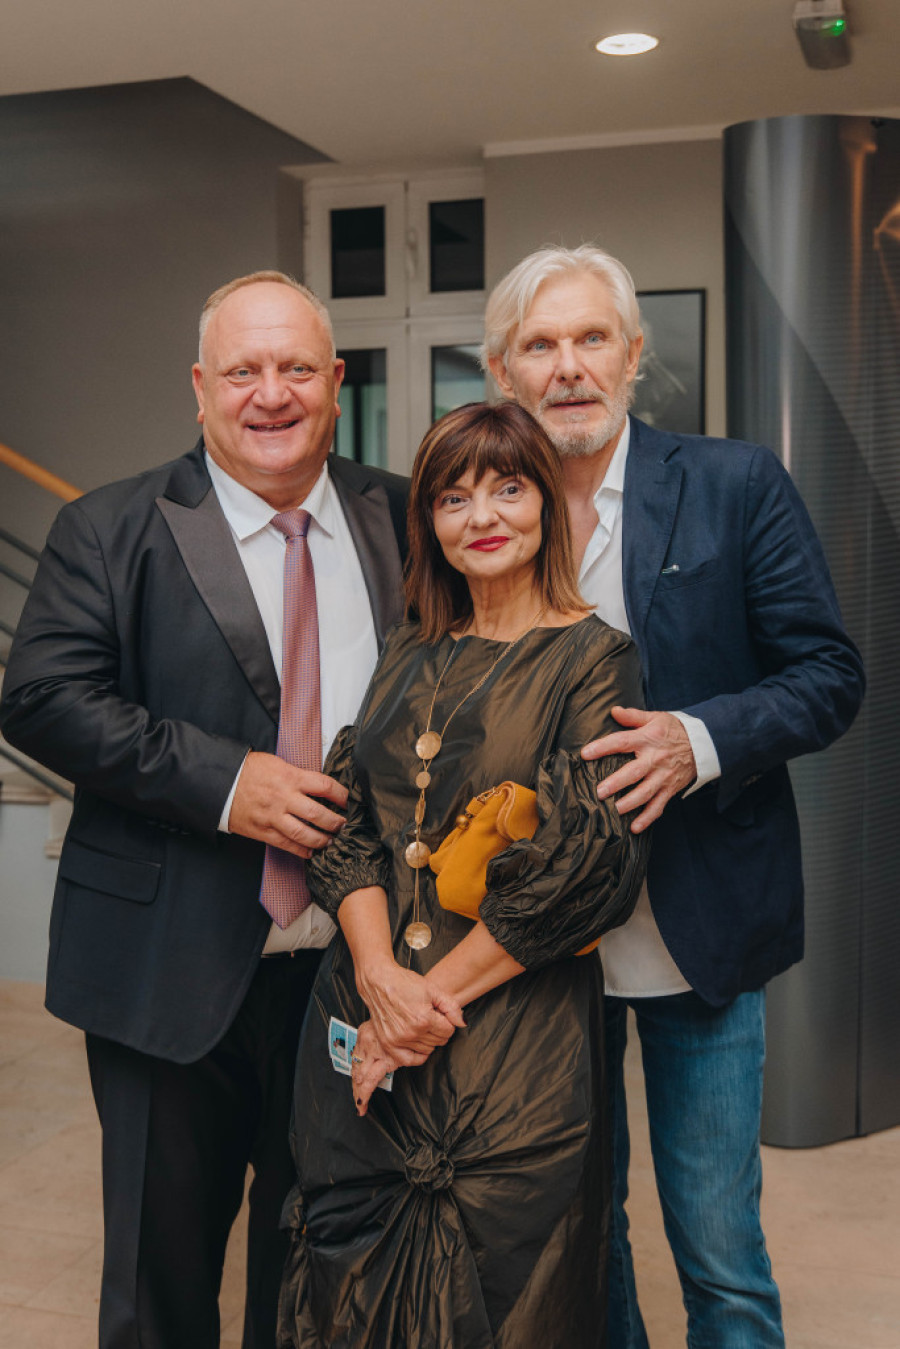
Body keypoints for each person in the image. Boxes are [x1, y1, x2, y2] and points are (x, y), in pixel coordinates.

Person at [0, 271, 409, 1349]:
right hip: (164, 965)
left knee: (317, 1271)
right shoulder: (110, 526)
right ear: (199, 387)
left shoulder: (407, 516)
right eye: (243, 370)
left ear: (336, 381)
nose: (270, 393)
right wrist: (231, 784)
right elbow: (42, 697)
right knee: (161, 1286)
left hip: (350, 972)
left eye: (296, 367)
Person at [482, 244, 866, 1347]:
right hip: (539, 948)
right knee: (581, 1236)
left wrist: (697, 740)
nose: (568, 366)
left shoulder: (736, 484)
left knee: (718, 1247)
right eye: (540, 345)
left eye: (591, 337)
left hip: (700, 928)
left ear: (633, 353)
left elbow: (828, 674)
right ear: (503, 371)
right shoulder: (481, 515)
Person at [276, 401, 649, 1348]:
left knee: (505, 1305)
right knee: (344, 1301)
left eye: (508, 488)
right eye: (453, 496)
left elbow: (583, 869)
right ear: (429, 521)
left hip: (510, 1054)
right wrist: (376, 978)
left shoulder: (595, 659)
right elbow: (349, 820)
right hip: (362, 1022)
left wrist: (413, 1013)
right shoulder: (410, 644)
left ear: (546, 503)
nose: (481, 515)